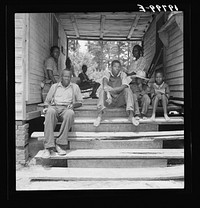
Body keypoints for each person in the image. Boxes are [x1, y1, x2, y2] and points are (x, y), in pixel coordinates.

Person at [42, 68, 83, 158]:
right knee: (50, 112)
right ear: (61, 77)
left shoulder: (75, 87)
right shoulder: (54, 86)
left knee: (70, 113)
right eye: (65, 76)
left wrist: (73, 105)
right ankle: (48, 148)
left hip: (66, 109)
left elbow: (80, 102)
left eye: (69, 76)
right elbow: (47, 101)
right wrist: (46, 107)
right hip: (55, 107)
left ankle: (60, 144)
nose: (67, 78)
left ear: (71, 77)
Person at [93, 60, 139, 127]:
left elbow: (124, 86)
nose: (117, 68)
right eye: (115, 66)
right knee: (102, 91)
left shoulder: (123, 75)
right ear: (111, 67)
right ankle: (99, 116)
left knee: (128, 90)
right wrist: (108, 94)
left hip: (119, 100)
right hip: (109, 100)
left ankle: (131, 116)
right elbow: (105, 84)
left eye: (118, 67)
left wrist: (112, 89)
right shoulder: (107, 73)